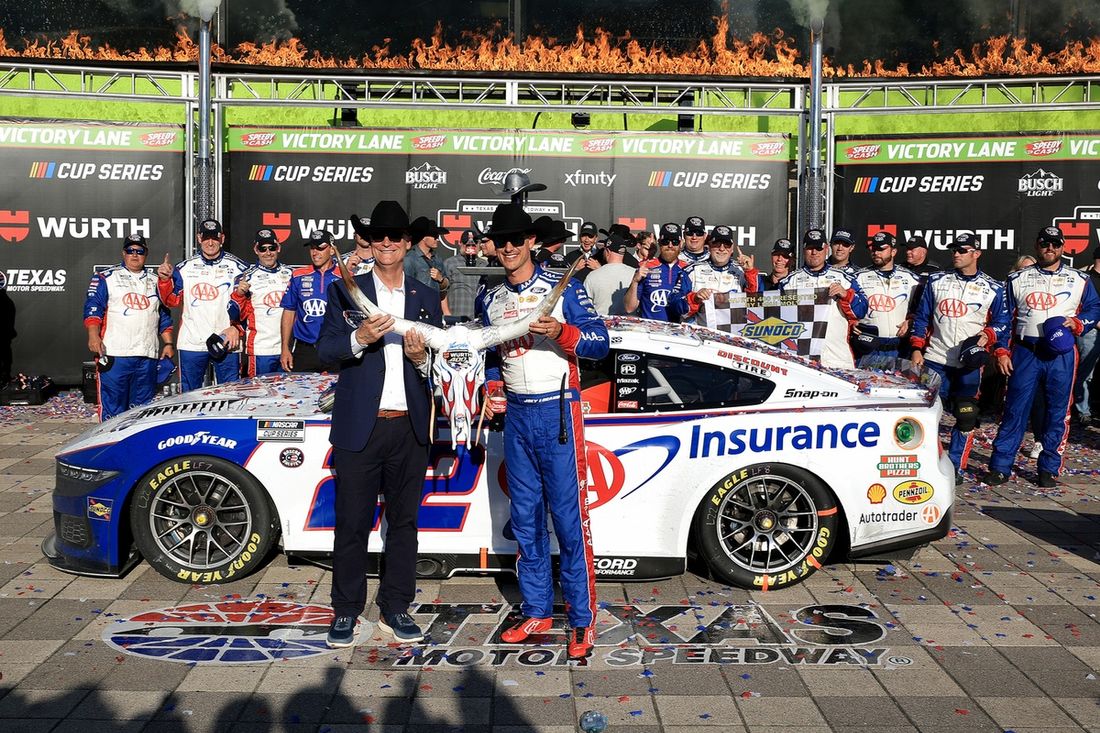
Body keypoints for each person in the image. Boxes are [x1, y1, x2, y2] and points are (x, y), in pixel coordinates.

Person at [477, 202, 610, 661]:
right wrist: (492, 387)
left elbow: (601, 342)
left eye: (518, 238)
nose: (510, 247)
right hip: (515, 416)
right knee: (526, 520)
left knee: (569, 521)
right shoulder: (489, 298)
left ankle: (582, 618)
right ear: (494, 247)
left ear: (532, 241)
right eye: (503, 240)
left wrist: (563, 331)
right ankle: (535, 609)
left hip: (558, 412)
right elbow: (491, 354)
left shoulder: (563, 287)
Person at [318, 200, 443, 648]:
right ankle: (346, 610)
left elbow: (443, 364)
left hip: (409, 427)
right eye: (378, 236)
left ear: (407, 242)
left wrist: (421, 359)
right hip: (359, 426)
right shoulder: (345, 290)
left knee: (404, 523)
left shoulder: (426, 296)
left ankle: (396, 606)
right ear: (369, 243)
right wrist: (359, 338)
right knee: (351, 522)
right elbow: (325, 350)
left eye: (394, 236)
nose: (386, 243)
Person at [984, 227, 1100, 488]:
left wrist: (1079, 322)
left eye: (1055, 244)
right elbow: (1003, 319)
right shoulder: (1017, 279)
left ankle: (1048, 468)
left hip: (1061, 354)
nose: (1050, 248)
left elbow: (1094, 308)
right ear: (1037, 246)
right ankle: (1000, 466)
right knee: (1014, 410)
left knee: (1057, 413)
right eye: (1045, 243)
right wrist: (1001, 350)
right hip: (1026, 351)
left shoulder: (1079, 279)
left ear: (1063, 247)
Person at [909, 233, 1009, 477]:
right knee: (927, 414)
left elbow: (1003, 322)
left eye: (962, 250)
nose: (956, 253)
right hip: (935, 358)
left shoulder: (993, 288)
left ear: (976, 253)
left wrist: (989, 335)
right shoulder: (936, 281)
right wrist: (916, 348)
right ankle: (927, 462)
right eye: (953, 249)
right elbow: (922, 318)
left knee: (967, 415)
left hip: (968, 362)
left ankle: (955, 466)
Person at [84, 233, 174, 420]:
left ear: (146, 254)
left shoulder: (155, 281)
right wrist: (93, 335)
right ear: (123, 253)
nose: (135, 254)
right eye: (130, 250)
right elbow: (93, 308)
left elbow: (163, 316)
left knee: (141, 411)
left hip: (146, 354)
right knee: (113, 409)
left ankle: (137, 448)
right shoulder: (106, 277)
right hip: (115, 353)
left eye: (139, 251)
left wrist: (168, 344)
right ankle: (110, 445)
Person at [158, 218, 248, 391]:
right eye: (206, 237)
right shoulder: (183, 268)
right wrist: (164, 281)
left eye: (214, 237)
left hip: (227, 341)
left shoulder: (240, 267)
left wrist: (237, 328)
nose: (210, 242)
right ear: (199, 238)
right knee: (189, 397)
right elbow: (171, 301)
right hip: (192, 342)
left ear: (222, 238)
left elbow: (249, 307)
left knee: (229, 396)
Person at [778, 229, 868, 369]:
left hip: (837, 357)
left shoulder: (844, 278)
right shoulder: (789, 282)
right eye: (810, 248)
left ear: (826, 249)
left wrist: (846, 295)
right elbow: (778, 320)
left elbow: (861, 311)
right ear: (804, 250)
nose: (814, 252)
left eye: (818, 248)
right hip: (800, 358)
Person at [227, 228, 293, 377]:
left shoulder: (291, 275)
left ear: (279, 248)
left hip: (287, 349)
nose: (268, 253)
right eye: (263, 248)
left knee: (288, 396)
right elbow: (235, 314)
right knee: (259, 396)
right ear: (256, 250)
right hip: (260, 349)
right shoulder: (246, 277)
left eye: (272, 248)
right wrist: (239, 295)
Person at [852, 231, 921, 364]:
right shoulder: (858, 277)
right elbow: (847, 307)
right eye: (874, 249)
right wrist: (851, 322)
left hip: (899, 347)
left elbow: (924, 309)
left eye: (881, 249)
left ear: (893, 251)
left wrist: (911, 320)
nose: (876, 253)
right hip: (869, 346)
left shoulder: (911, 278)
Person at [280, 229, 340, 372]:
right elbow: (289, 312)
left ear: (332, 250)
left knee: (338, 393)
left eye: (320, 248)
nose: (315, 252)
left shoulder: (346, 277)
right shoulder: (298, 275)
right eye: (312, 248)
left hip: (335, 348)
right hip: (305, 349)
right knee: (299, 393)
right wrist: (285, 349)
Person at [675, 225, 759, 320]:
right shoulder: (692, 271)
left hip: (730, 332)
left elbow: (755, 304)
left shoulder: (742, 272)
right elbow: (676, 307)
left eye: (726, 245)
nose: (721, 249)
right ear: (710, 246)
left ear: (732, 248)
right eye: (717, 244)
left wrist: (750, 272)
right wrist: (694, 298)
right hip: (698, 332)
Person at [623, 223, 693, 322]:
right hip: (651, 332)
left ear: (681, 243)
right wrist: (634, 281)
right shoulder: (646, 266)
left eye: (675, 242)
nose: (670, 245)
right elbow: (629, 308)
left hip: (679, 334)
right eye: (665, 241)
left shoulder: (689, 269)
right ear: (659, 242)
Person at [1073, 247, 1100, 426]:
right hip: (1090, 331)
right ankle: (1083, 410)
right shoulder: (1083, 277)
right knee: (1086, 373)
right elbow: (1077, 306)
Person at [584, 232, 636, 316]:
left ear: (607, 251)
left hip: (602, 326)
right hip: (631, 326)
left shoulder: (592, 276)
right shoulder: (635, 275)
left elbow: (586, 307)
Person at [442, 229, 488, 323]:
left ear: (479, 245)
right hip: (457, 318)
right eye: (467, 244)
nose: (470, 247)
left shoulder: (485, 265)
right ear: (460, 244)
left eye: (474, 244)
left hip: (480, 320)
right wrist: (447, 313)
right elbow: (442, 291)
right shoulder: (450, 263)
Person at [404, 216, 450, 298]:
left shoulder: (437, 258)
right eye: (435, 236)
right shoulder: (410, 259)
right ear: (424, 238)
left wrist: (441, 279)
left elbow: (446, 286)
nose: (438, 239)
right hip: (418, 306)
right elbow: (406, 288)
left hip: (435, 306)